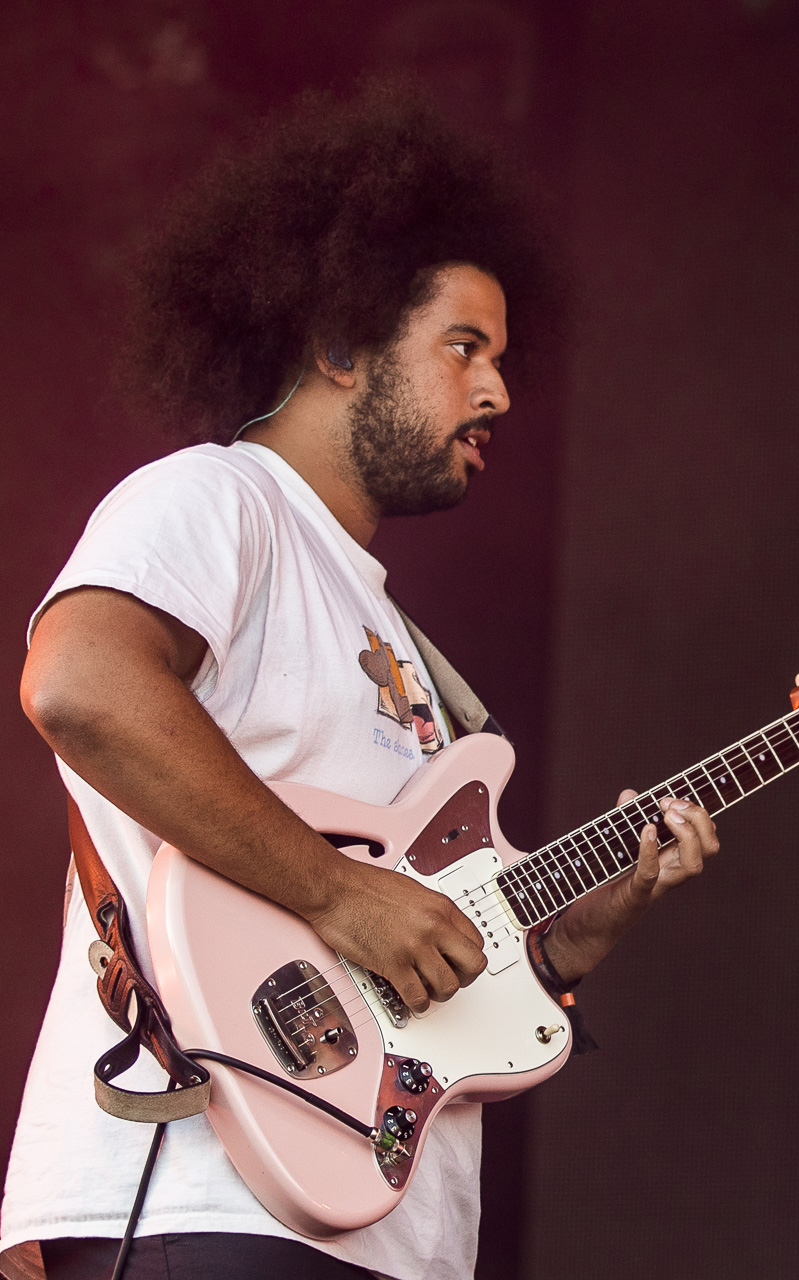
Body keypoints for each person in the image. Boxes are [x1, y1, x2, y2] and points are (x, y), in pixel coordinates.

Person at [0, 88, 720, 1280]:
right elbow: (77, 681)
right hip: (204, 1196)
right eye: (464, 346)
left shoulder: (395, 637)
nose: (497, 393)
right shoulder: (217, 499)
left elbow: (407, 975)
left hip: (384, 1228)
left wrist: (558, 947)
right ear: (340, 345)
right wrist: (341, 894)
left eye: (501, 358)